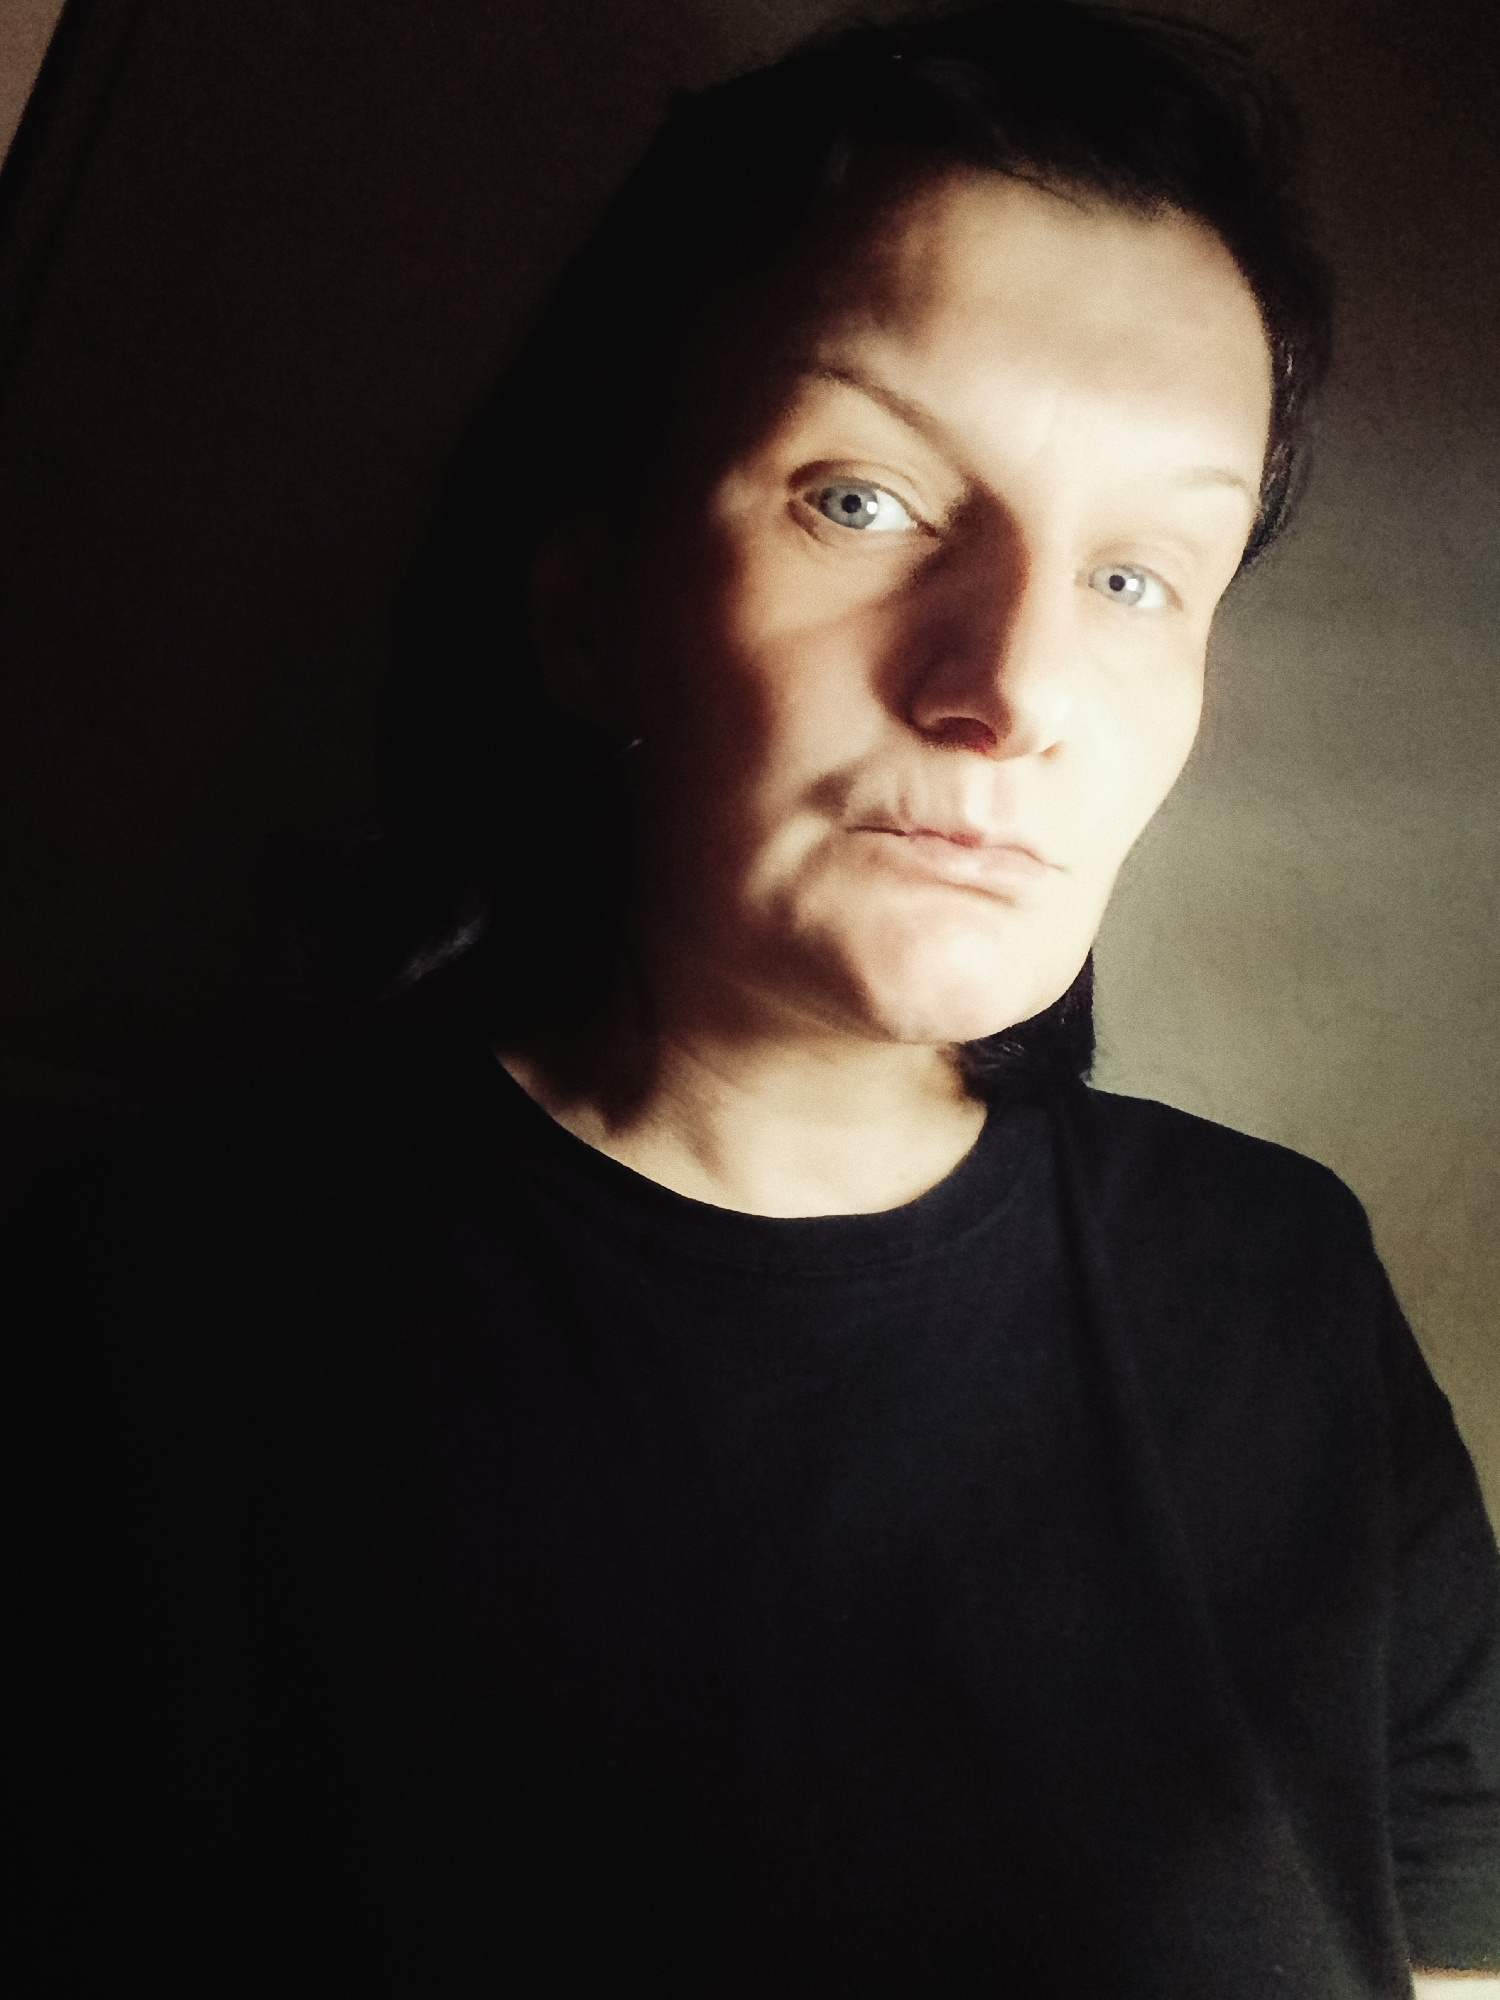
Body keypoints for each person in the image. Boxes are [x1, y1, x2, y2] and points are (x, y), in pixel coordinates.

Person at [19, 4, 1498, 1993]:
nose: (1016, 690)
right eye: (860, 498)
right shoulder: (141, 1315)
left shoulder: (1285, 1285)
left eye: (1140, 575)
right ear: (588, 607)